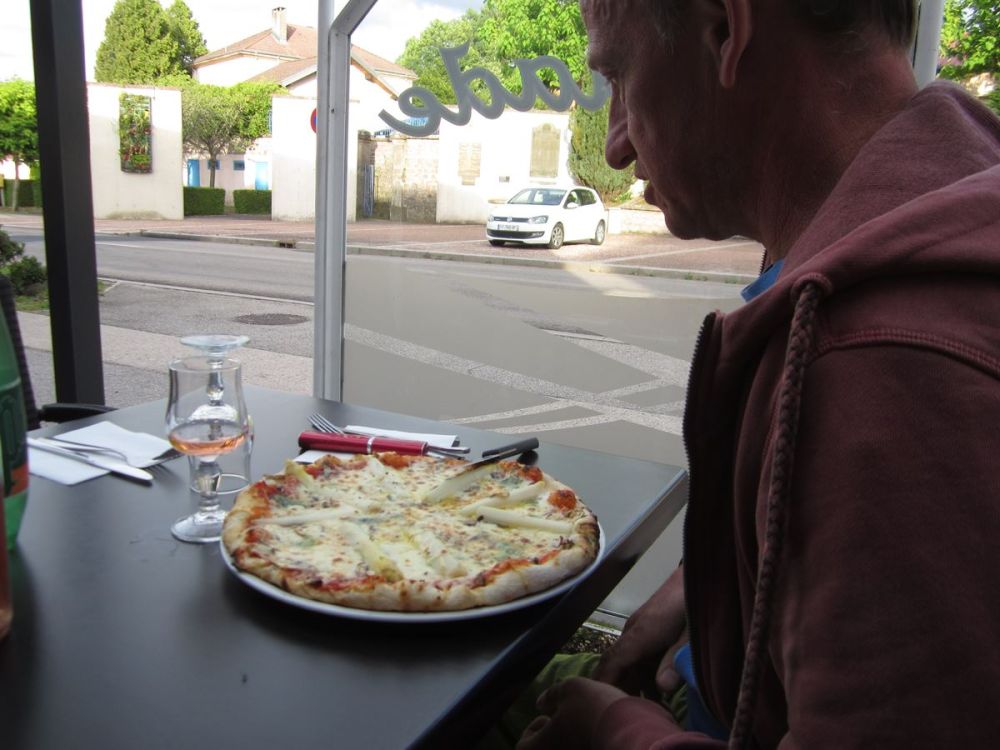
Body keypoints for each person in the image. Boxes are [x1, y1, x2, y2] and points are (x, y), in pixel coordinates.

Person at [516, 0, 1000, 747]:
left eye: (619, 76)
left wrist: (618, 732)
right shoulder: (918, 212)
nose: (614, 144)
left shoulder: (880, 363)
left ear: (725, 29)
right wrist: (697, 591)